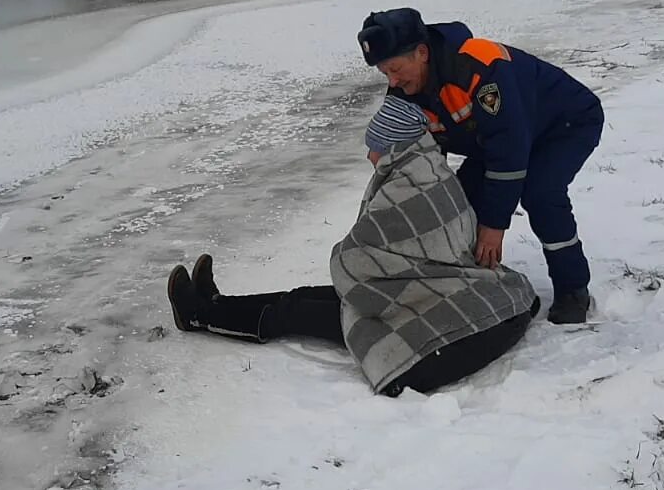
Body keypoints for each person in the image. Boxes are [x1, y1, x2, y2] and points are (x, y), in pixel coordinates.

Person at [165, 97, 539, 397]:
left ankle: (199, 315)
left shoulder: (407, 187)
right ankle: (213, 303)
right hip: (446, 294)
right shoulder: (428, 168)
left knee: (295, 310)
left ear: (391, 146)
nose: (368, 156)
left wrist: (354, 263)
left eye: (373, 147)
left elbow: (351, 262)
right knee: (302, 298)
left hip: (429, 335)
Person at [357, 7, 604, 324]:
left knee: (540, 194)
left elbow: (510, 153)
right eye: (384, 73)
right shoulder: (405, 91)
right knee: (462, 205)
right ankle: (471, 284)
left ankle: (573, 289)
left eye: (395, 68)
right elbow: (416, 156)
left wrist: (494, 225)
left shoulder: (479, 66)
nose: (392, 80)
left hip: (563, 123)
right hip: (493, 141)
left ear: (421, 52)